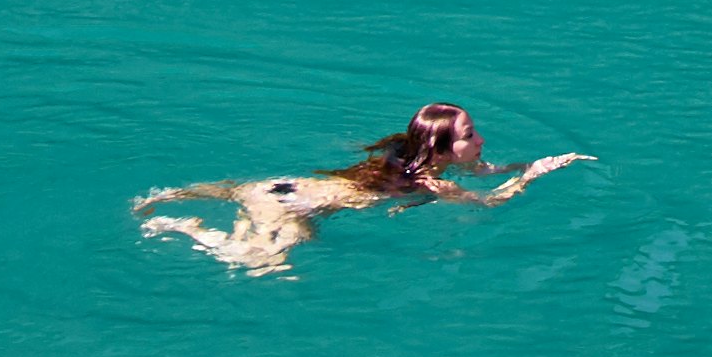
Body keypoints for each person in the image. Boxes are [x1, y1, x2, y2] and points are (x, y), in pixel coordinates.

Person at [133, 104, 585, 277]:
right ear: (443, 147)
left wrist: (524, 163)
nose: (481, 138)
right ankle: (185, 228)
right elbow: (488, 203)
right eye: (470, 134)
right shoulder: (431, 181)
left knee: (249, 205)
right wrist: (530, 178)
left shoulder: (405, 155)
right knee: (259, 263)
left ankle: (175, 197)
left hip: (278, 187)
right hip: (293, 204)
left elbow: (483, 170)